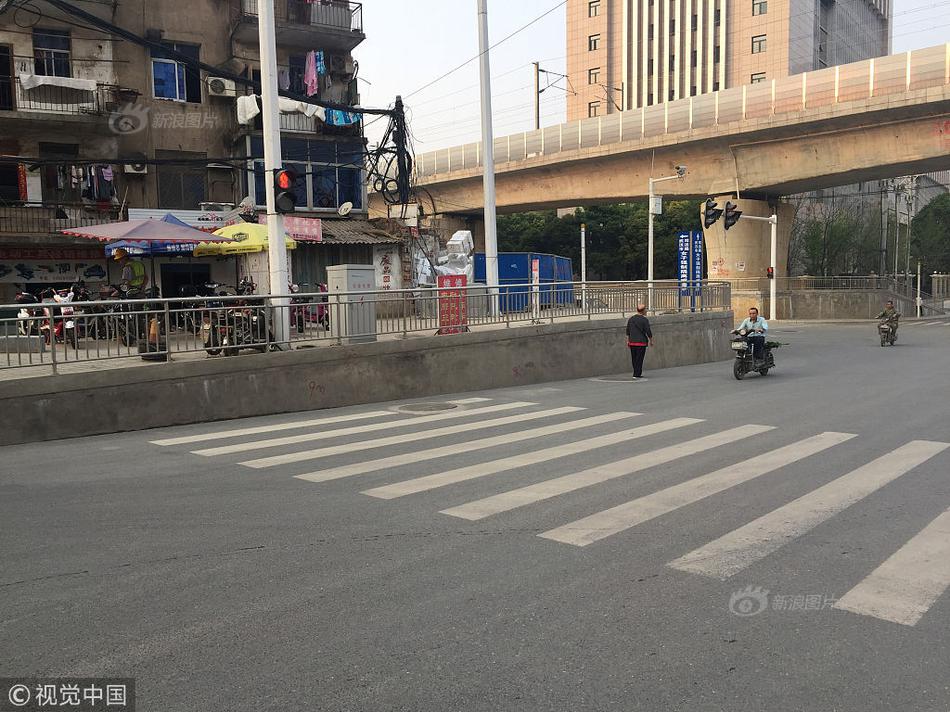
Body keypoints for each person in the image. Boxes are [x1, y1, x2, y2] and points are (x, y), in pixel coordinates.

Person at [626, 303, 654, 380]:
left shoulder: (631, 319)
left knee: (634, 358)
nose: (646, 310)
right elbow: (648, 331)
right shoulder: (644, 320)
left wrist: (628, 341)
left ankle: (636, 372)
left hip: (632, 342)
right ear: (643, 311)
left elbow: (628, 331)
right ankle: (637, 373)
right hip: (641, 342)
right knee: (639, 358)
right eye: (646, 309)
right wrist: (651, 340)